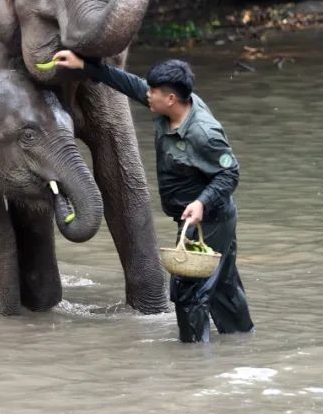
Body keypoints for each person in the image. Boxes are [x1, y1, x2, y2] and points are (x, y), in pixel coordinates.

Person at [51, 51, 254, 343]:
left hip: (210, 220)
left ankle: (192, 361)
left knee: (188, 292)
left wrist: (201, 202)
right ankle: (242, 343)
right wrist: (86, 67)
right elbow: (131, 84)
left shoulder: (203, 133)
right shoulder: (170, 109)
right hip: (196, 216)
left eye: (154, 92)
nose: (148, 95)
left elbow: (230, 174)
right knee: (222, 286)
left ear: (170, 98)